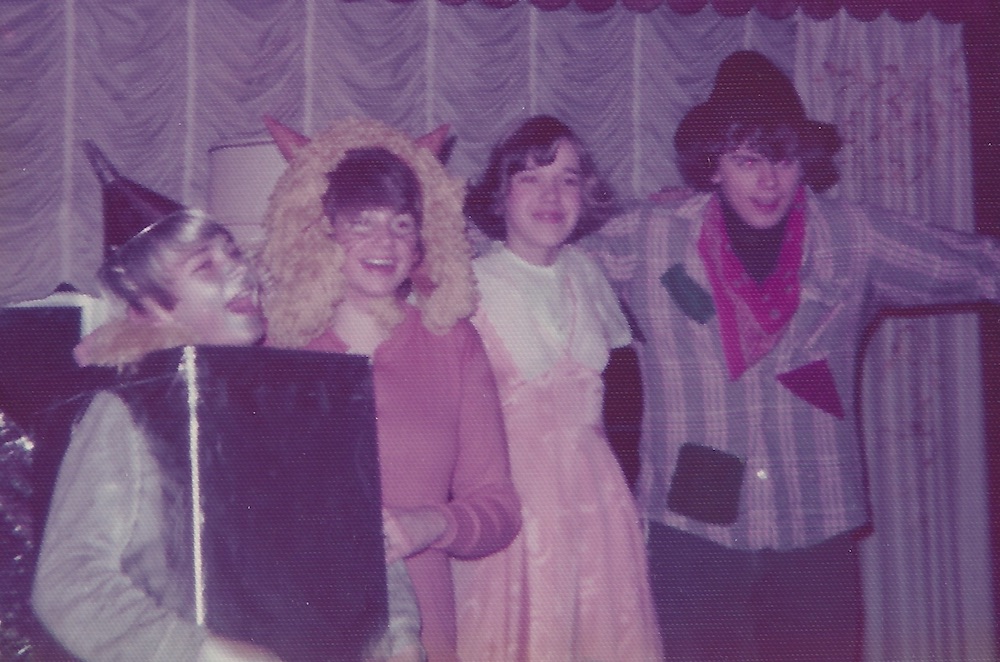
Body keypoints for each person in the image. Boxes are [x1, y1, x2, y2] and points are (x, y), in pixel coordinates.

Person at [589, 50, 1000, 661]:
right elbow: (537, 267)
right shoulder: (652, 239)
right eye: (746, 160)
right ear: (713, 166)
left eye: (782, 160)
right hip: (694, 536)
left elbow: (978, 264)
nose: (768, 181)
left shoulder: (853, 238)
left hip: (818, 525)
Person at [32, 206, 423, 662]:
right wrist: (201, 652)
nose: (240, 269)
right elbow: (67, 582)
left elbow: (361, 541)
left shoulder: (302, 398)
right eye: (205, 265)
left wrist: (400, 637)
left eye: (233, 252)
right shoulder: (125, 410)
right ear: (153, 308)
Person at [259, 118, 522, 662]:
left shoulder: (453, 342)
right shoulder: (279, 343)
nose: (386, 243)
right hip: (300, 625)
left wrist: (431, 524)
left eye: (403, 225)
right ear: (324, 227)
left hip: (423, 630)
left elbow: (499, 509)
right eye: (363, 222)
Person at [453, 115, 663, 661]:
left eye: (568, 179)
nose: (552, 195)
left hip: (597, 497)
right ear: (500, 193)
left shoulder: (590, 275)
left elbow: (624, 401)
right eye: (531, 177)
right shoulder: (469, 286)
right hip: (514, 504)